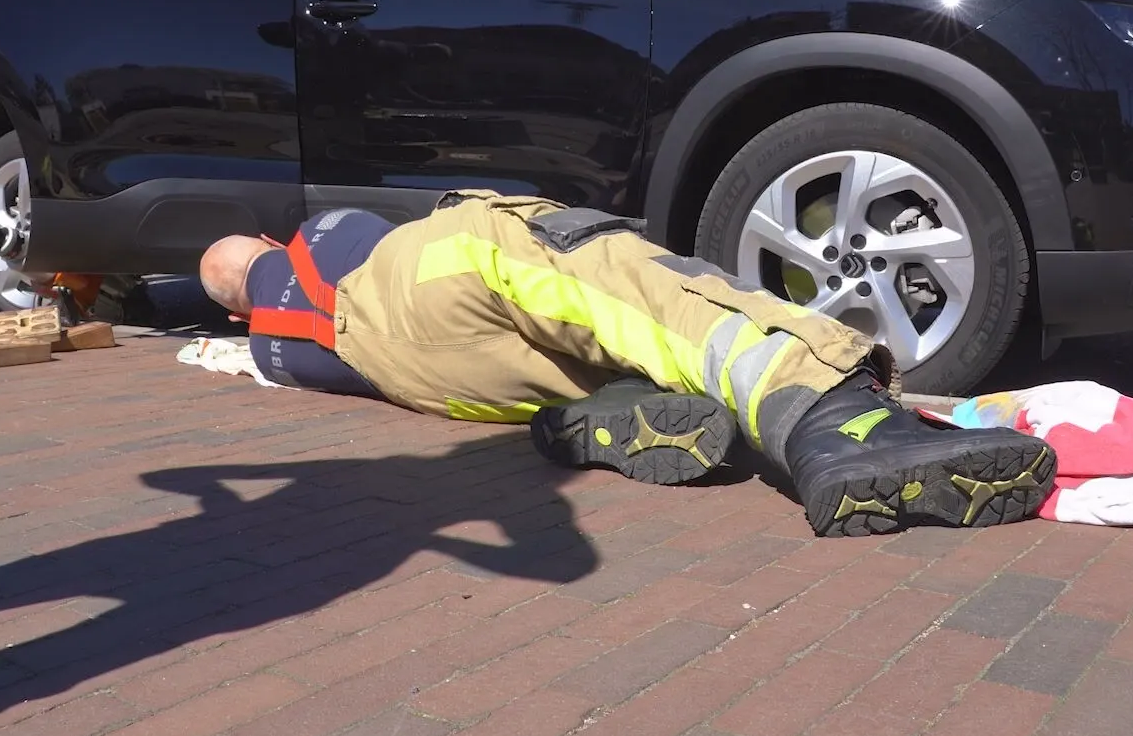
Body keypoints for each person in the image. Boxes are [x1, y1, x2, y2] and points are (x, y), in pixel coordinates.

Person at [196, 189, 1057, 538]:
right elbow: (400, 250)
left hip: (428, 382)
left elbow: (245, 338)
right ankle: (830, 413)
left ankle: (600, 416)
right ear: (273, 245)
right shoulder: (327, 232)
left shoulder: (280, 352)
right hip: (424, 278)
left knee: (606, 355)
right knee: (625, 290)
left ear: (239, 307)